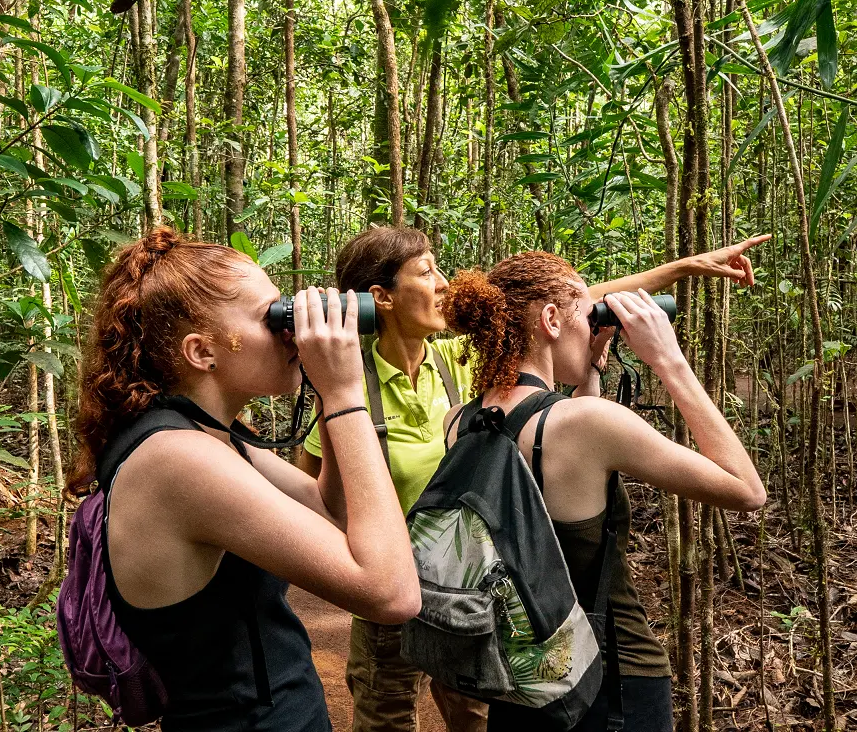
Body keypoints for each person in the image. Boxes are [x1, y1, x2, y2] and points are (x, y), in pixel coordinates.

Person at [294, 226, 769, 732]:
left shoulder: (460, 402)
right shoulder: (352, 389)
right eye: (426, 271)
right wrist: (667, 358)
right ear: (381, 298)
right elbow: (746, 490)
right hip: (560, 652)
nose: (443, 283)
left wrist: (685, 268)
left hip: (503, 632)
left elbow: (559, 316)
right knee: (384, 715)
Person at [70, 228, 420, 731]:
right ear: (201, 351)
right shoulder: (179, 459)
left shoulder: (211, 436)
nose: (290, 331)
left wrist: (328, 393)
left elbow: (332, 510)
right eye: (273, 316)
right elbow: (393, 595)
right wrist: (347, 393)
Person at [439, 252, 766, 731]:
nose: (593, 323)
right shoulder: (588, 425)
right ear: (551, 319)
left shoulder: (460, 422)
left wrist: (589, 366)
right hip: (612, 680)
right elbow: (746, 489)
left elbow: (552, 469)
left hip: (520, 677)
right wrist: (668, 359)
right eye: (587, 311)